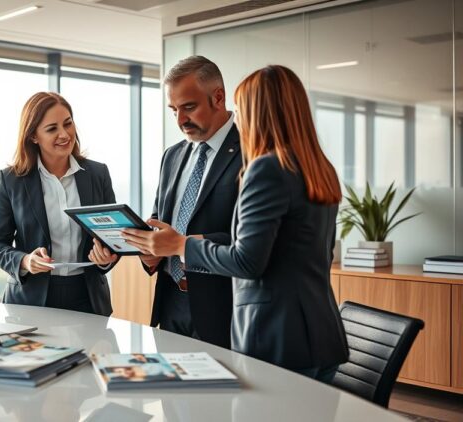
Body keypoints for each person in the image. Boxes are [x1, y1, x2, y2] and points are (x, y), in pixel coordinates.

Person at [122, 65, 349, 382]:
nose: (238, 118)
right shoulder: (318, 167)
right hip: (317, 333)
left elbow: (248, 259)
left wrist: (181, 245)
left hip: (274, 336)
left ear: (258, 112)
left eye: (241, 109)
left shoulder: (265, 166)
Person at [0, 92, 119, 316]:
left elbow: (112, 236)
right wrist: (25, 260)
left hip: (88, 298)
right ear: (33, 136)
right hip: (31, 300)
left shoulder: (98, 174)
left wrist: (106, 257)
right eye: (52, 129)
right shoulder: (11, 180)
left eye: (68, 123)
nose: (64, 134)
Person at [143, 56, 242, 346]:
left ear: (218, 97)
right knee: (170, 392)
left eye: (188, 107)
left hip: (224, 309)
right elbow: (160, 218)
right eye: (173, 110)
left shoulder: (252, 152)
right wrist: (150, 251)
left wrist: (184, 244)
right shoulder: (172, 155)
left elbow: (253, 241)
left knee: (220, 393)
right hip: (170, 303)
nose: (180, 120)